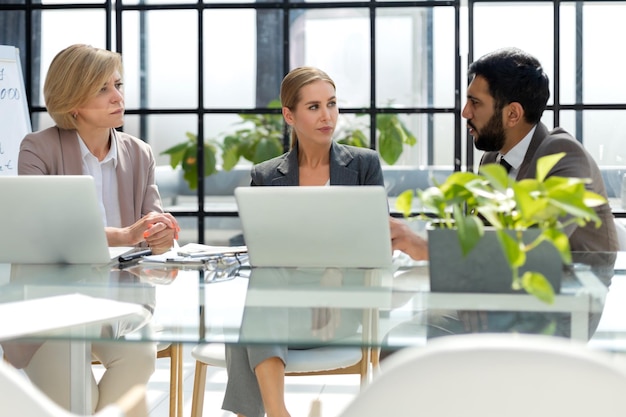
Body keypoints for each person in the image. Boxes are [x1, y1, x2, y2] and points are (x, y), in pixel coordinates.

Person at [2, 44, 180, 413]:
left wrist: (159, 235)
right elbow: (45, 233)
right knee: (76, 402)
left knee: (140, 356)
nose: (118, 97)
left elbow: (152, 235)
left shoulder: (140, 153)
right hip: (49, 306)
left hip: (119, 303)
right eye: (102, 89)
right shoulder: (37, 149)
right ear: (72, 102)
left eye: (117, 84)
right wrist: (126, 235)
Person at [223, 66, 384, 417]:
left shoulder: (363, 165)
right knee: (263, 286)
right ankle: (278, 411)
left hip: (338, 310)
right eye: (313, 107)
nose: (327, 116)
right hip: (283, 309)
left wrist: (332, 273)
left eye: (331, 104)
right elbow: (262, 253)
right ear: (288, 115)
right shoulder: (266, 175)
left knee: (247, 325)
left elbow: (374, 242)